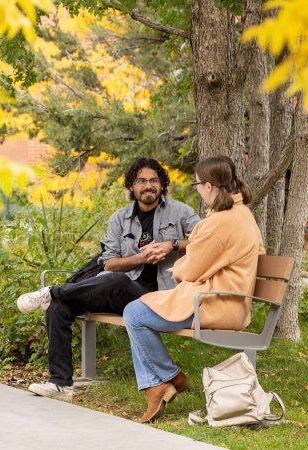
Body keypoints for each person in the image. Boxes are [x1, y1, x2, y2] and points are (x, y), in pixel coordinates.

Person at [17, 157, 201, 400]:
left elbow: (204, 239)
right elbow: (108, 262)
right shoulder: (120, 218)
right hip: (120, 294)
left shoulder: (181, 212)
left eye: (154, 180)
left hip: (159, 298)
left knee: (115, 281)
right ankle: (60, 384)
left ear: (162, 184)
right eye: (141, 181)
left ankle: (52, 291)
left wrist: (172, 244)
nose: (148, 186)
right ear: (132, 186)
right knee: (60, 306)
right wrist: (140, 258)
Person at [122, 155, 264, 423]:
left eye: (197, 184)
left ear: (209, 186)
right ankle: (160, 383)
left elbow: (189, 270)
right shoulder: (242, 214)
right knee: (138, 310)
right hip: (227, 299)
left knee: (134, 314)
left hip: (215, 302)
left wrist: (177, 269)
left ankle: (166, 378)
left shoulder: (221, 222)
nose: (197, 189)